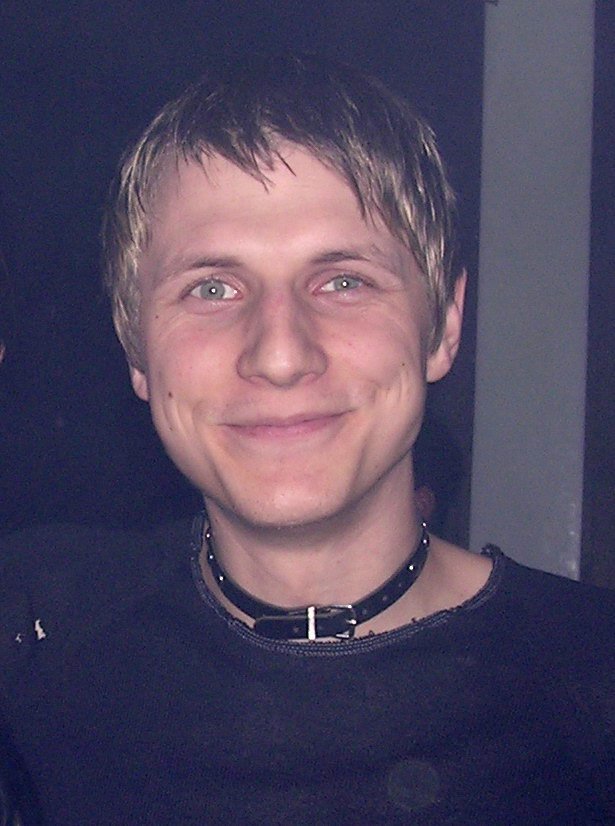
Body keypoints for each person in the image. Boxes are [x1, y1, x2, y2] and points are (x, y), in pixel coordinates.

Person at [0, 53, 612, 825]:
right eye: (212, 288)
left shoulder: (590, 681)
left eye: (343, 281)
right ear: (136, 350)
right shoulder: (37, 632)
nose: (280, 354)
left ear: (443, 325)